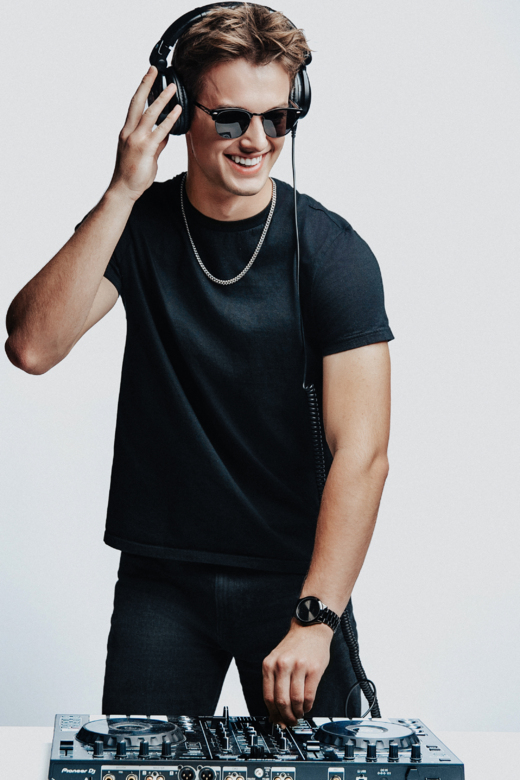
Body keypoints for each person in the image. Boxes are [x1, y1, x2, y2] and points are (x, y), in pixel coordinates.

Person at [5, 3, 393, 726]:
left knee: (331, 772)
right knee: (137, 772)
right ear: (178, 113)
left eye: (278, 119)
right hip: (163, 583)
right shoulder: (137, 226)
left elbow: (363, 454)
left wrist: (316, 618)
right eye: (232, 118)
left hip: (294, 583)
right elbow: (32, 345)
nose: (257, 140)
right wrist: (123, 187)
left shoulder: (334, 254)